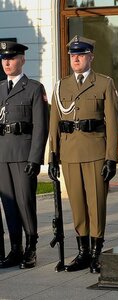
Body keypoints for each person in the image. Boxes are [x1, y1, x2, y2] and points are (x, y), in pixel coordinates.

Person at [48, 35, 118, 274]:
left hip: (96, 152)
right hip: (69, 154)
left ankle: (97, 253)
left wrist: (111, 157)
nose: (76, 59)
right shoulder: (61, 86)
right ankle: (83, 253)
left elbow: (112, 124)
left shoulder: (104, 83)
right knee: (77, 205)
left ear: (91, 57)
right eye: (72, 55)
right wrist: (52, 157)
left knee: (96, 204)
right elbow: (54, 124)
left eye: (80, 54)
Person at [0, 41, 49, 269]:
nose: (7, 62)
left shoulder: (34, 88)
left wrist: (35, 158)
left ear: (22, 59)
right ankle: (16, 249)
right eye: (3, 58)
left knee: (25, 203)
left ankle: (31, 248)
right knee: (9, 205)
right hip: (2, 156)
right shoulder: (0, 88)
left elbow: (41, 126)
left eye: (11, 58)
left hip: (23, 154)